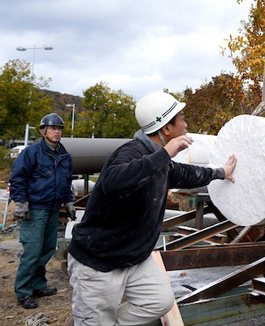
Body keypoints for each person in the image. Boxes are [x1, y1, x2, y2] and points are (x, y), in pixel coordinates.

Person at [67, 91, 237, 326]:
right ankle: (89, 320)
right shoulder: (131, 153)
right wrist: (165, 153)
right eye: (182, 119)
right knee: (94, 321)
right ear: (166, 129)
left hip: (134, 258)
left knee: (159, 301)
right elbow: (115, 182)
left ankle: (91, 320)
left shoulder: (159, 161)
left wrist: (221, 173)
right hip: (99, 262)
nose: (187, 125)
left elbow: (188, 174)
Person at [9, 113, 76, 309]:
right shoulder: (32, 153)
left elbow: (67, 182)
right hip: (35, 209)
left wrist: (69, 202)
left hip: (53, 209)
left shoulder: (64, 155)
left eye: (59, 128)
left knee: (46, 249)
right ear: (43, 130)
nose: (57, 132)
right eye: (53, 128)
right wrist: (20, 202)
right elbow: (18, 179)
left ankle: (38, 285)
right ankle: (23, 291)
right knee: (32, 251)